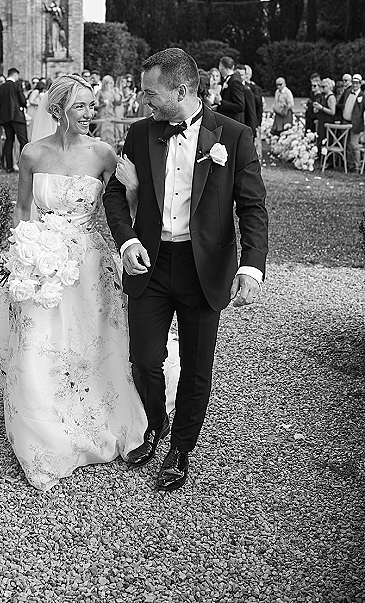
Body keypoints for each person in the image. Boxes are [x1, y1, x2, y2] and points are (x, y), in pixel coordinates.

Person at [103, 48, 268, 492]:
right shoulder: (140, 134)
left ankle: (181, 448)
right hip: (149, 265)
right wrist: (128, 240)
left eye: (150, 93)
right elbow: (115, 196)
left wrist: (251, 267)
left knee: (196, 368)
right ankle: (153, 426)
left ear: (181, 90)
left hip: (203, 270)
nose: (143, 102)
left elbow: (252, 207)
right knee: (144, 358)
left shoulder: (232, 137)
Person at [0, 74, 147, 491]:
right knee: (38, 344)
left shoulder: (103, 153)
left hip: (87, 261)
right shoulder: (31, 153)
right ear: (58, 111)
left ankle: (99, 415)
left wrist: (132, 189)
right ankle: (43, 431)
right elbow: (23, 207)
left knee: (91, 342)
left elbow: (121, 205)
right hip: (39, 260)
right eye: (81, 106)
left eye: (91, 105)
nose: (89, 113)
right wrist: (20, 254)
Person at [0, 68, 28, 173]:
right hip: (17, 116)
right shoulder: (16, 85)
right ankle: (24, 166)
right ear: (15, 75)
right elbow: (23, 101)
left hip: (5, 118)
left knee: (9, 140)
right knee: (23, 141)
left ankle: (8, 166)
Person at [313, 78, 337, 164]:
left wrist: (321, 108)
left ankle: (328, 162)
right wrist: (317, 109)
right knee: (320, 140)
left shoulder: (331, 98)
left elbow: (332, 112)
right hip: (321, 121)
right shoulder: (323, 96)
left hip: (328, 122)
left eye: (324, 86)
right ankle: (320, 159)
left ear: (330, 87)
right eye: (321, 86)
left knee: (327, 141)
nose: (322, 88)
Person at [95, 74, 123, 148]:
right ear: (105, 83)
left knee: (111, 137)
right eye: (110, 83)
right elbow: (94, 105)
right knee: (102, 137)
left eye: (112, 83)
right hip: (102, 116)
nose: (111, 85)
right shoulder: (100, 92)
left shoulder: (113, 92)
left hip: (111, 116)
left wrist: (118, 93)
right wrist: (102, 104)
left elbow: (118, 103)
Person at [344, 74, 365, 171]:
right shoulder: (348, 92)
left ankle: (357, 167)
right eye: (354, 83)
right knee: (347, 144)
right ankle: (350, 165)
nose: (355, 85)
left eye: (357, 83)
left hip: (355, 124)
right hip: (345, 121)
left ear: (360, 84)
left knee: (354, 145)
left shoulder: (362, 96)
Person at [216, 57, 245, 123]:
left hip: (232, 122)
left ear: (221, 67)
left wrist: (221, 102)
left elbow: (240, 106)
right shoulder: (227, 80)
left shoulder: (235, 82)